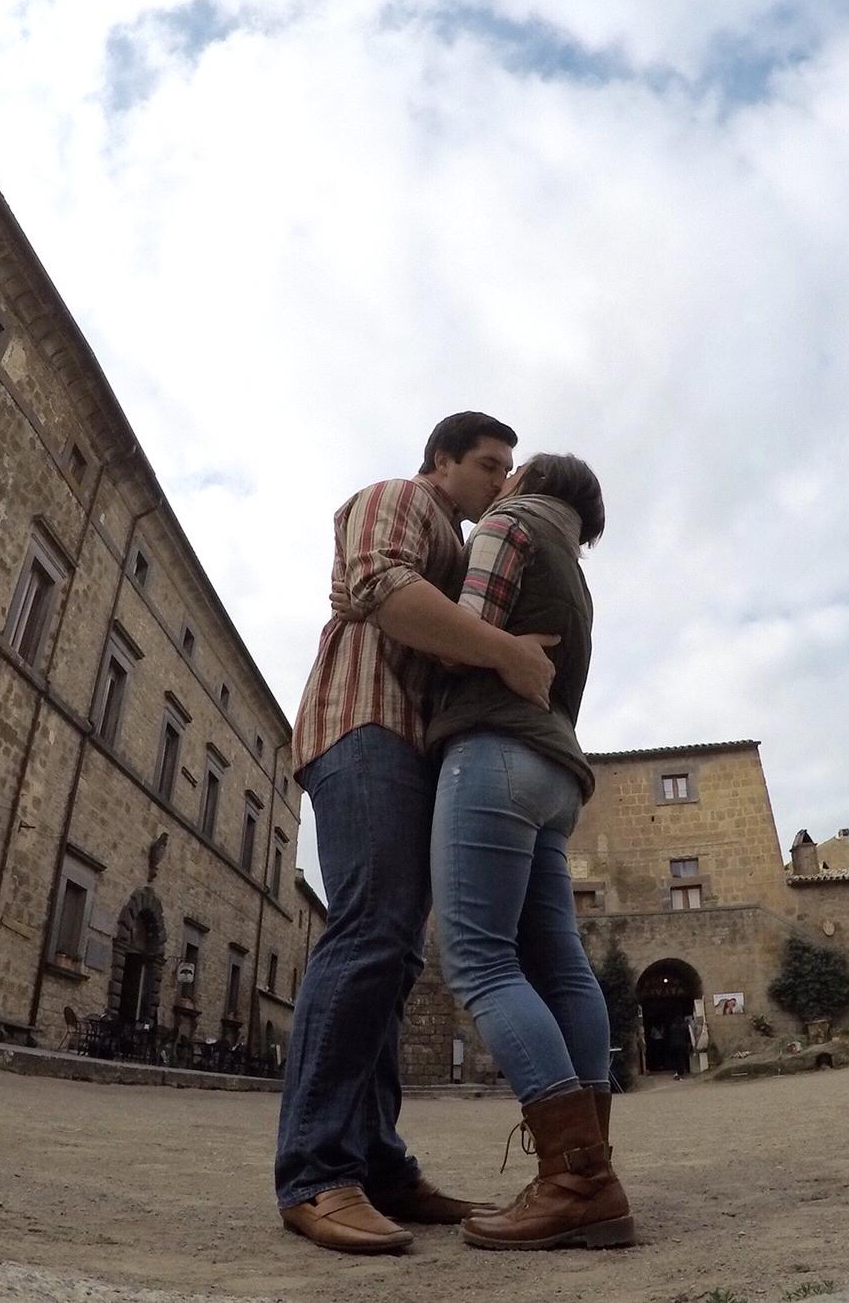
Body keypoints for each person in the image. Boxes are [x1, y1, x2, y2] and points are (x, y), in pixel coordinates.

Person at [276, 412, 562, 1256]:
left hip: (410, 745)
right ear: (441, 461)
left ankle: (379, 1165)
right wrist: (507, 653)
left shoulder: (460, 546)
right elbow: (379, 586)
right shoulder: (396, 496)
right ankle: (316, 1173)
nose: (500, 481)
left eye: (511, 467)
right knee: (369, 933)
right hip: (364, 725)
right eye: (487, 464)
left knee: (396, 952)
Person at [427, 452, 633, 1250]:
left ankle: (575, 1179)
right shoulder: (577, 575)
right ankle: (591, 1169)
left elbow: (459, 641)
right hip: (555, 773)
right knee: (563, 965)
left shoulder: (510, 525)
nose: (498, 484)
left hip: (493, 754)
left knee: (478, 961)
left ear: (527, 482)